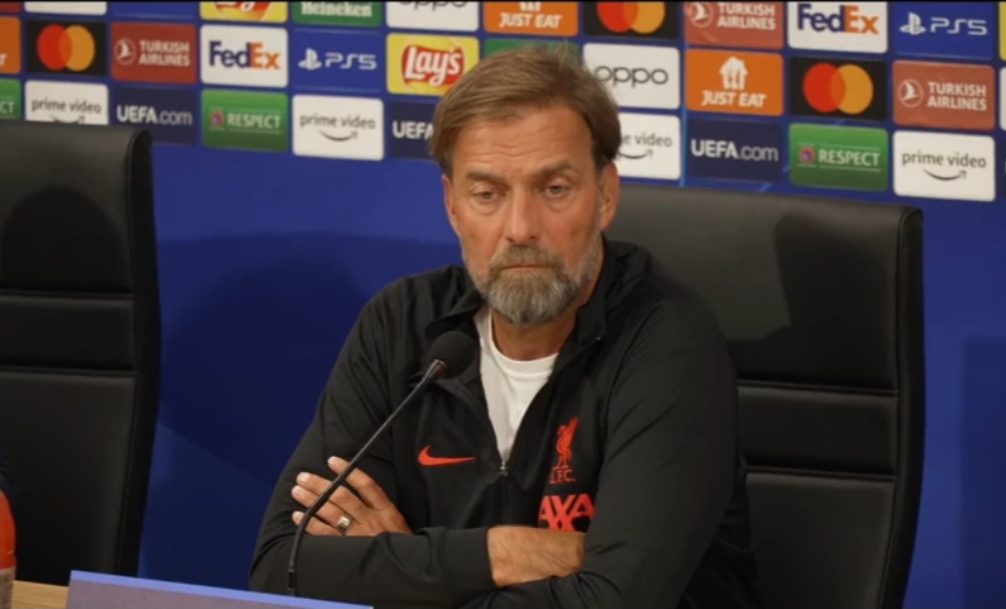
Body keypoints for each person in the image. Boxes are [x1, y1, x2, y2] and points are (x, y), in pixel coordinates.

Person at [249, 44, 762, 609]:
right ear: (452, 205)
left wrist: (404, 570)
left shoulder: (667, 341)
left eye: (554, 189)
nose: (520, 228)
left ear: (605, 196)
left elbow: (610, 602)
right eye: (488, 194)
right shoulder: (403, 325)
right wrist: (503, 551)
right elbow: (282, 567)